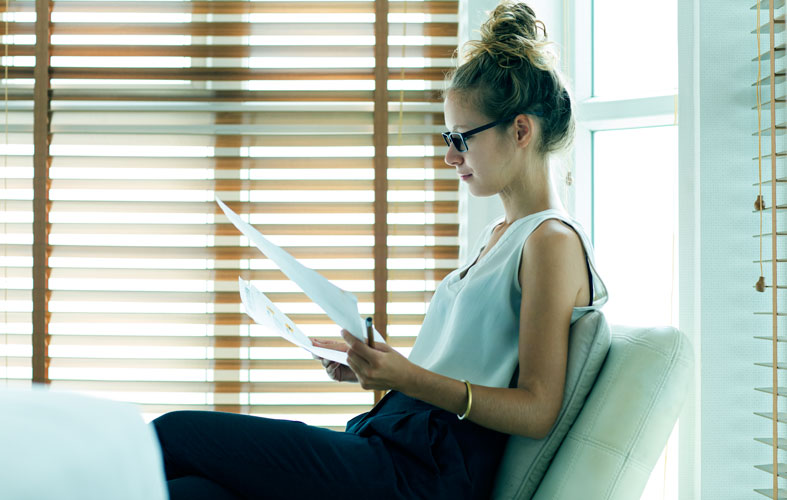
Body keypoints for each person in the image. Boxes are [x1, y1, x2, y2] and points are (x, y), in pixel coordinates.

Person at [151, 2, 607, 498]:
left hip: (420, 475)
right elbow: (461, 367)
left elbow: (538, 410)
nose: (450, 155)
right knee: (189, 491)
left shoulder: (552, 242)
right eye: (446, 137)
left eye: (461, 138)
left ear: (520, 131)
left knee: (172, 433)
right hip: (394, 445)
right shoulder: (501, 234)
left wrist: (406, 376)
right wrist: (381, 369)